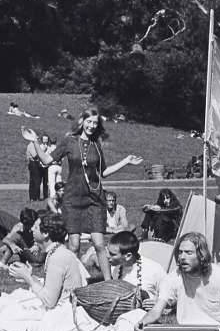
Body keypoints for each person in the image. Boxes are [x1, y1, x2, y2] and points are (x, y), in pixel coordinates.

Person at [21, 109, 143, 280]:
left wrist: (126, 161)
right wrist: (34, 141)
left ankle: (109, 283)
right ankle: (73, 284)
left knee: (100, 244)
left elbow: (104, 172)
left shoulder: (96, 145)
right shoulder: (69, 141)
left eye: (95, 123)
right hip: (72, 199)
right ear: (82, 121)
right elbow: (47, 160)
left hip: (94, 199)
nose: (92, 126)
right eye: (89, 122)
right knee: (74, 245)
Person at [0, 214, 87, 331]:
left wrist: (28, 278)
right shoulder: (57, 252)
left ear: (45, 234)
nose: (32, 229)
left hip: (61, 316)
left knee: (4, 322)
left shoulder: (57, 257)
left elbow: (50, 301)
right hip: (61, 309)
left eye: (36, 227)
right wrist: (31, 276)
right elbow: (54, 288)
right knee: (11, 304)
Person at [136, 232, 220, 331]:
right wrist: (142, 322)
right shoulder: (172, 278)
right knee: (151, 327)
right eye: (180, 252)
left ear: (201, 255)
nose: (182, 257)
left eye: (188, 253)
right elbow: (156, 311)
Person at [108, 231, 165, 305]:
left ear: (128, 256)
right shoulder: (114, 268)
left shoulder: (154, 269)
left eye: (112, 254)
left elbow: (171, 295)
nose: (107, 256)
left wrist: (158, 304)